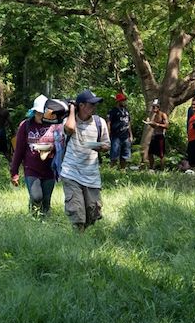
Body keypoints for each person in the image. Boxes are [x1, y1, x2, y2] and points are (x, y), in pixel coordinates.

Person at [10, 95, 68, 218]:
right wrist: (14, 172)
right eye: (39, 113)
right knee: (36, 197)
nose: (41, 116)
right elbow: (19, 150)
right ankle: (33, 216)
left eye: (44, 113)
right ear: (34, 112)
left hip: (50, 169)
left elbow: (62, 146)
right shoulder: (25, 125)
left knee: (46, 201)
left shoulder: (56, 125)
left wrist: (53, 148)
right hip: (31, 168)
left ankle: (44, 225)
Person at [62, 90, 110, 231]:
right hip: (71, 172)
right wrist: (72, 109)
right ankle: (79, 240)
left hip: (91, 174)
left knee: (93, 212)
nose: (94, 107)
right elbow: (69, 129)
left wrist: (100, 147)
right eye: (91, 104)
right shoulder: (69, 121)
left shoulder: (99, 122)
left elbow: (107, 144)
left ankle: (83, 235)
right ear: (81, 105)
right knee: (77, 211)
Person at [107, 92, 134, 170]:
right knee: (114, 156)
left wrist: (131, 135)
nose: (124, 102)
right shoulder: (113, 111)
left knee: (125, 156)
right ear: (118, 101)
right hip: (116, 136)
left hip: (125, 136)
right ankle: (111, 171)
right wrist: (108, 135)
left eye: (124, 100)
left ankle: (123, 171)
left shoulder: (126, 111)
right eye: (122, 100)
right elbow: (108, 122)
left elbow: (128, 123)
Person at [145, 100, 169, 171]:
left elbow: (167, 126)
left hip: (160, 136)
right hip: (154, 136)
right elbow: (154, 126)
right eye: (153, 107)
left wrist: (157, 124)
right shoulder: (155, 115)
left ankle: (162, 169)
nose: (153, 109)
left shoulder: (163, 115)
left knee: (161, 154)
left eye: (155, 107)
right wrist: (150, 123)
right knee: (150, 153)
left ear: (158, 107)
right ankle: (151, 168)